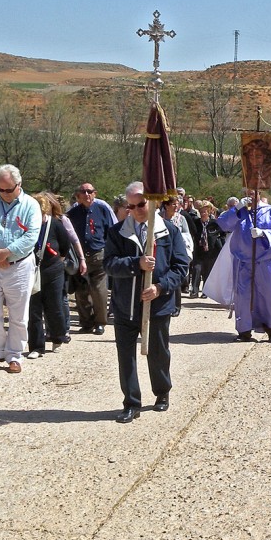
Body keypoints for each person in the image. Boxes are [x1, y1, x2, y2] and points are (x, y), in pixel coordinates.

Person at [103, 181, 190, 423]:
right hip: (126, 305)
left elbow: (181, 266)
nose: (136, 210)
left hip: (158, 304)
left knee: (159, 351)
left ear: (151, 202)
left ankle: (162, 392)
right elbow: (109, 264)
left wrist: (160, 287)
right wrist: (135, 264)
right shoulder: (117, 232)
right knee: (125, 355)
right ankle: (131, 402)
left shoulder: (168, 231)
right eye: (130, 206)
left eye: (141, 204)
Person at [0, 164, 42, 374]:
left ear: (18, 185)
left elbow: (31, 235)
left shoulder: (30, 205)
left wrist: (8, 252)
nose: (4, 194)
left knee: (18, 313)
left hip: (19, 266)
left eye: (8, 189)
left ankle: (14, 355)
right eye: (0, 189)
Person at [216, 192, 271, 343]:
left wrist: (265, 233)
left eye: (253, 192)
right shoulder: (240, 212)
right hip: (243, 263)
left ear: (259, 193)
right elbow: (223, 224)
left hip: (266, 261)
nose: (250, 195)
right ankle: (244, 330)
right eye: (247, 192)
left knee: (268, 295)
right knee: (243, 297)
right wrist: (237, 209)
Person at [27, 193, 86, 358]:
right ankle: (36, 347)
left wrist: (57, 261)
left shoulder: (56, 224)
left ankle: (58, 338)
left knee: (54, 305)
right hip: (32, 271)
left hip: (53, 271)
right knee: (34, 308)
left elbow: (66, 245)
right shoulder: (27, 225)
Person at [66, 181, 114, 335]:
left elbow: (110, 231)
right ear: (78, 195)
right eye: (83, 192)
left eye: (90, 191)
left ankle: (100, 322)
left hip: (98, 255)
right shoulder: (72, 213)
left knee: (99, 290)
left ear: (95, 193)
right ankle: (86, 322)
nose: (86, 194)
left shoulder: (103, 210)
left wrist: (108, 251)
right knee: (81, 291)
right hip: (79, 256)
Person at [160, 196, 194, 316]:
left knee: (176, 277)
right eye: (173, 204)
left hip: (176, 251)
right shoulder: (159, 217)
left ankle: (176, 306)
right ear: (166, 205)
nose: (176, 207)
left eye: (177, 204)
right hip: (162, 251)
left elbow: (187, 234)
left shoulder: (181, 219)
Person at [191, 200, 224, 298]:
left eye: (204, 211)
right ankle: (194, 291)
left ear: (209, 212)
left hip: (211, 252)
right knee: (197, 269)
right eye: (201, 211)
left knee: (207, 272)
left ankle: (205, 292)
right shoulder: (196, 222)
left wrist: (217, 240)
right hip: (199, 251)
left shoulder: (214, 223)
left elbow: (222, 233)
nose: (202, 213)